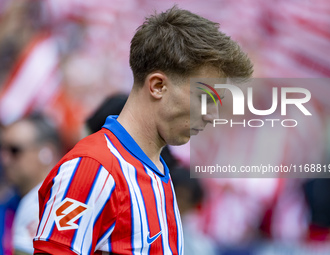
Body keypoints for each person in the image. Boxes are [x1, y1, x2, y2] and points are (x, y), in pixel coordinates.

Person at [33, 6, 253, 255]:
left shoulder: (158, 172)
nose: (212, 115)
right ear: (158, 86)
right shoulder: (93, 167)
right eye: (205, 98)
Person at [0, 114, 63, 255]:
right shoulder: (8, 204)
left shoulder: (60, 201)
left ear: (47, 153)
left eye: (14, 150)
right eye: (2, 150)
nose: (5, 159)